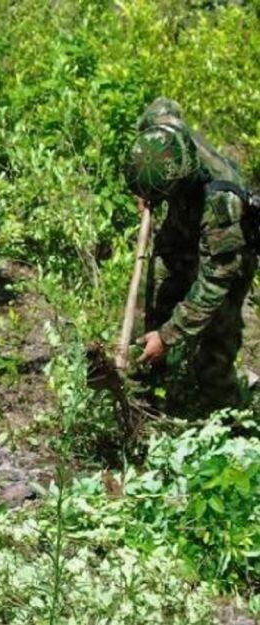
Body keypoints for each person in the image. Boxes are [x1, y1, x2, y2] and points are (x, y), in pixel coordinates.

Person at [125, 96, 257, 415]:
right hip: (186, 211)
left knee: (215, 344)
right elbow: (162, 105)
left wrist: (170, 336)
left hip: (230, 253)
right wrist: (146, 189)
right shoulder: (166, 129)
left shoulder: (222, 204)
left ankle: (228, 417)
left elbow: (214, 282)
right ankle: (147, 379)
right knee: (160, 284)